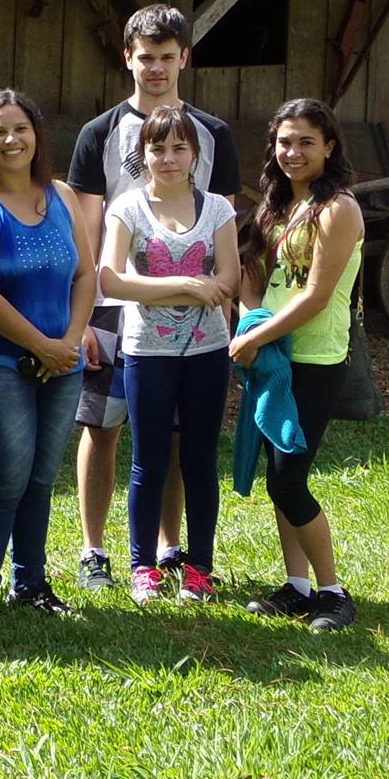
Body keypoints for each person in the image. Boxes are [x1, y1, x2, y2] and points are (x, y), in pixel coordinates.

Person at [68, 4, 240, 593]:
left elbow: (223, 234)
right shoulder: (100, 133)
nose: (157, 68)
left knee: (175, 437)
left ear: (184, 59)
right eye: (146, 58)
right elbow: (88, 235)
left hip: (197, 324)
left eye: (168, 57)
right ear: (128, 59)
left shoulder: (213, 133)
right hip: (117, 311)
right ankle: (95, 550)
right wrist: (84, 317)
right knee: (104, 427)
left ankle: (172, 549)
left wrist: (228, 311)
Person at [0, 90, 92, 622]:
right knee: (6, 477)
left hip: (63, 364)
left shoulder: (60, 194)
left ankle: (31, 584)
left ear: (37, 134)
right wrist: (42, 347)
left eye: (21, 129)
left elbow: (84, 274)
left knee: (40, 477)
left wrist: (70, 343)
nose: (11, 140)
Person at [228, 98, 363, 632]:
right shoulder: (275, 205)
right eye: (285, 141)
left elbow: (315, 295)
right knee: (275, 475)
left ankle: (333, 593)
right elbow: (251, 279)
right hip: (270, 353)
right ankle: (298, 587)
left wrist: (254, 337)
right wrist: (247, 325)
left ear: (329, 147)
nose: (294, 152)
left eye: (306, 141)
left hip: (314, 358)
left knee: (289, 478)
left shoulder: (339, 209)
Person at [99, 103, 239, 603]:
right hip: (146, 353)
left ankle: (200, 567)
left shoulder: (219, 208)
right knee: (148, 462)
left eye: (179, 148)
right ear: (143, 154)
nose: (169, 158)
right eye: (157, 148)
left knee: (200, 460)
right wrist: (187, 285)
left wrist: (164, 288)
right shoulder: (127, 209)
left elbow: (228, 281)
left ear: (196, 155)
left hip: (208, 352)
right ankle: (143, 568)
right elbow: (111, 279)